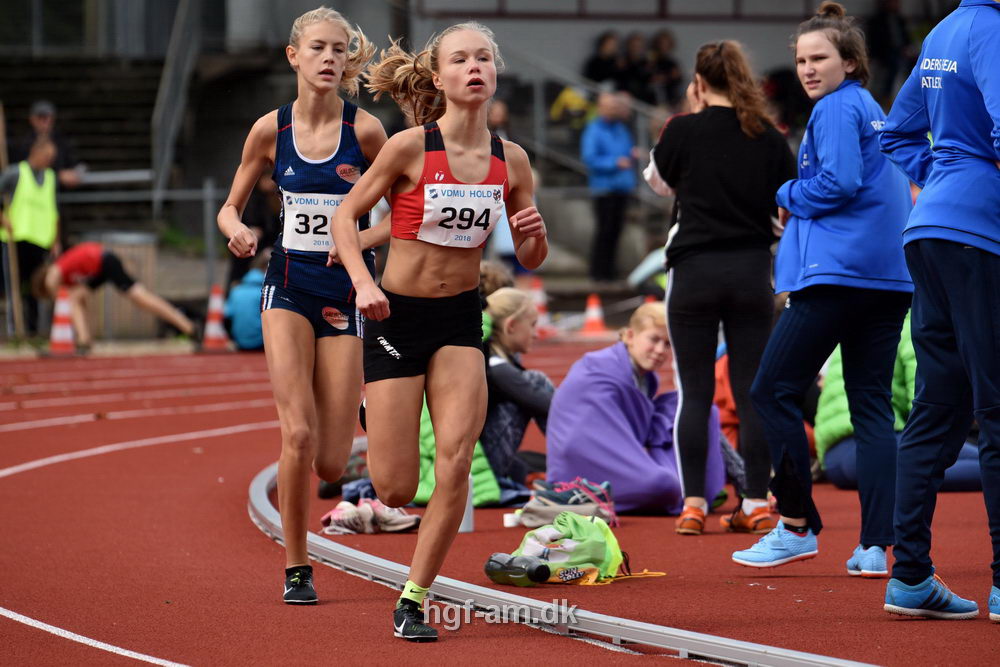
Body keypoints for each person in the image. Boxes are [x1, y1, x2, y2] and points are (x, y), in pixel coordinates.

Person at [331, 23, 548, 641]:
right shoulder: (407, 148)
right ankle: (377, 413)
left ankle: (414, 596)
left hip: (459, 321)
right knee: (398, 488)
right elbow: (347, 219)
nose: (474, 67)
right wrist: (364, 284)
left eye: (484, 58)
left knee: (454, 462)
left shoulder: (513, 161)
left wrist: (532, 233)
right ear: (440, 78)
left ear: (495, 73)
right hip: (396, 316)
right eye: (461, 59)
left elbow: (533, 257)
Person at [732, 2, 913, 576]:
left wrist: (785, 195)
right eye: (801, 60)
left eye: (820, 58)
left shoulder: (836, 108)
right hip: (886, 279)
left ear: (850, 62)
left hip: (839, 277)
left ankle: (795, 525)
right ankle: (873, 547)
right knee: (872, 409)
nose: (808, 69)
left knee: (770, 390)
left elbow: (837, 182)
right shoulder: (869, 107)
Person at [216, 7, 389, 606]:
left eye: (340, 50)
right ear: (294, 55)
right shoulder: (271, 131)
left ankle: (358, 408)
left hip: (344, 295)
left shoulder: (366, 132)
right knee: (296, 436)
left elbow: (392, 218)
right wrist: (236, 228)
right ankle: (297, 565)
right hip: (286, 286)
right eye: (318, 48)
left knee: (331, 463)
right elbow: (228, 206)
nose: (330, 59)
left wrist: (354, 243)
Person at [878, 0, 1000, 620]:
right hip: (979, 234)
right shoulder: (995, 29)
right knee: (997, 409)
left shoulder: (943, 31)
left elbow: (896, 131)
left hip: (927, 228)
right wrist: (971, 180)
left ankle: (910, 577)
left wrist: (947, 174)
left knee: (935, 410)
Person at [648, 41, 796, 537]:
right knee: (753, 390)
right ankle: (755, 501)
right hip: (753, 270)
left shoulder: (683, 129)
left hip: (694, 269)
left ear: (698, 81)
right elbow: (785, 205)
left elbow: (658, 182)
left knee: (695, 391)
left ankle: (692, 504)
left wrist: (693, 122)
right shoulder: (768, 136)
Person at [546, 302, 726, 514]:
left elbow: (640, 423)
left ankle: (693, 486)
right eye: (654, 339)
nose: (660, 350)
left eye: (668, 344)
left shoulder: (646, 377)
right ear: (630, 336)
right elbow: (591, 431)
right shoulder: (601, 369)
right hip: (580, 467)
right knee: (662, 485)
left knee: (695, 406)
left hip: (614, 454)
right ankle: (681, 486)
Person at [815, 313, 982, 493]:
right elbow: (923, 401)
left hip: (834, 461)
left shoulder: (860, 321)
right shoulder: (913, 325)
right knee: (986, 462)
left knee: (977, 458)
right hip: (876, 445)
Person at [34, 241, 195, 354]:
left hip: (104, 262)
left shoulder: (54, 271)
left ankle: (187, 326)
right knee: (76, 299)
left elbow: (52, 278)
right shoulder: (67, 275)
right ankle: (84, 339)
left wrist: (56, 295)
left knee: (140, 297)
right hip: (99, 266)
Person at [481, 287, 553, 485]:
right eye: (532, 325)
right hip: (478, 467)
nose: (536, 334)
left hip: (468, 460)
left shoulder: (481, 356)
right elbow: (556, 407)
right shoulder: (494, 367)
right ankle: (581, 468)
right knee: (537, 381)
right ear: (511, 325)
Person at [1, 137, 60, 335]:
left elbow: (53, 211)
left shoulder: (50, 177)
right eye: (47, 156)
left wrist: (55, 239)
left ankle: (33, 330)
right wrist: (3, 219)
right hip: (15, 238)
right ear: (36, 152)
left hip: (41, 240)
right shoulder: (15, 172)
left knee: (35, 289)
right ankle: (13, 329)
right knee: (12, 286)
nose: (50, 160)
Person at [581, 91, 636, 282]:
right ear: (601, 108)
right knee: (604, 231)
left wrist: (633, 155)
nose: (614, 109)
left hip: (621, 188)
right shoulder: (593, 129)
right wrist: (614, 162)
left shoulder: (621, 128)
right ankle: (598, 272)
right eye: (610, 106)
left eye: (615, 105)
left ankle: (610, 271)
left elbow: (627, 152)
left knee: (616, 231)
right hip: (604, 189)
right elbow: (589, 158)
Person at [9, 100, 83, 188]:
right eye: (41, 117)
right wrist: (58, 175)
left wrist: (76, 173)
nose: (46, 121)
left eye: (49, 117)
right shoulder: (23, 143)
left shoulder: (61, 141)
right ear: (32, 119)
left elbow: (75, 164)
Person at [224, 249, 269, 351]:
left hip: (240, 343)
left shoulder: (237, 289)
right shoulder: (266, 291)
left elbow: (226, 315)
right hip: (260, 343)